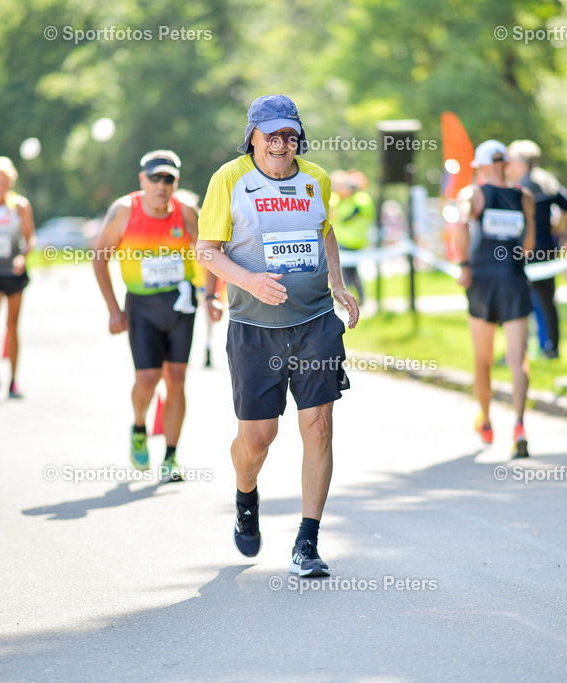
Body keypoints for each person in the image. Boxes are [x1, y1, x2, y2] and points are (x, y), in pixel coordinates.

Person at [196, 94, 359, 577]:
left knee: (320, 426)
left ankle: (307, 542)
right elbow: (206, 251)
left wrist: (337, 284)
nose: (281, 144)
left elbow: (324, 230)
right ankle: (246, 496)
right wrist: (249, 281)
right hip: (254, 328)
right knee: (258, 438)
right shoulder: (229, 179)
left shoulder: (316, 179)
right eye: (272, 135)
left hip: (314, 323)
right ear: (252, 137)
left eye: (290, 135)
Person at [93, 150, 211, 482]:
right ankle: (139, 427)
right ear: (142, 180)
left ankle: (171, 457)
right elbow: (99, 257)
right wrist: (113, 310)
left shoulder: (186, 212)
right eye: (155, 178)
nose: (162, 185)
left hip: (180, 305)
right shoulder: (124, 210)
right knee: (147, 378)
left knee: (176, 379)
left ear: (176, 182)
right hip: (142, 306)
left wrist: (212, 297)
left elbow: (208, 253)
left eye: (168, 179)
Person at [455, 140, 535, 458]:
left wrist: (464, 264)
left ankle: (486, 421)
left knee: (483, 359)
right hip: (513, 277)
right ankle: (520, 425)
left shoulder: (473, 194)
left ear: (484, 166)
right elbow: (528, 244)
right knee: (518, 358)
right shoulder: (524, 196)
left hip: (482, 280)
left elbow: (460, 222)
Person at [506, 140, 567, 360]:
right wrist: (557, 227)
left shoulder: (523, 186)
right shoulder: (547, 180)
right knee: (546, 301)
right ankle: (549, 347)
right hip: (547, 248)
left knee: (528, 300)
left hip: (529, 250)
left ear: (520, 162)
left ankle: (533, 348)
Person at [0, 157, 35, 400]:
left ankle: (13, 380)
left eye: (4, 181)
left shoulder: (19, 206)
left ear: (10, 182)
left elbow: (30, 239)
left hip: (13, 274)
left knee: (12, 326)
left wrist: (22, 257)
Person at [329, 169, 375, 305]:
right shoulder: (345, 200)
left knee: (348, 273)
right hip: (343, 240)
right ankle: (353, 299)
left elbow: (348, 216)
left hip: (351, 241)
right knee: (348, 273)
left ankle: (351, 299)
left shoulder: (360, 198)